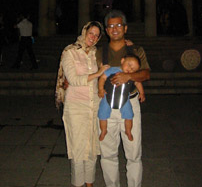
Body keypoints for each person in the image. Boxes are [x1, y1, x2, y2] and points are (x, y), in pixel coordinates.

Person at [96, 10, 150, 187]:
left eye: (119, 25)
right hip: (107, 106)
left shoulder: (135, 50)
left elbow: (146, 74)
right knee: (108, 153)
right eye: (110, 26)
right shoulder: (99, 52)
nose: (115, 29)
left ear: (125, 28)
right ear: (106, 30)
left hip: (130, 104)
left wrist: (129, 77)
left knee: (133, 153)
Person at [55, 21, 110, 187]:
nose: (92, 37)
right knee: (78, 150)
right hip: (76, 107)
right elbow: (73, 80)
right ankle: (78, 184)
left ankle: (90, 184)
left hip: (94, 105)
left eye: (96, 35)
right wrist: (97, 73)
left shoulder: (96, 53)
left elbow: (115, 59)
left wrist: (128, 46)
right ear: (84, 32)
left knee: (93, 149)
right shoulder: (70, 51)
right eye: (90, 33)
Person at [98, 54, 145, 142]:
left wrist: (141, 93)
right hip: (107, 97)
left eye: (133, 69)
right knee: (102, 114)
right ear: (122, 61)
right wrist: (101, 89)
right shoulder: (112, 70)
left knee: (129, 115)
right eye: (129, 65)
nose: (130, 69)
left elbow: (138, 83)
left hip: (124, 100)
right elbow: (102, 78)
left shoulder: (131, 75)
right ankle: (104, 130)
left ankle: (128, 131)